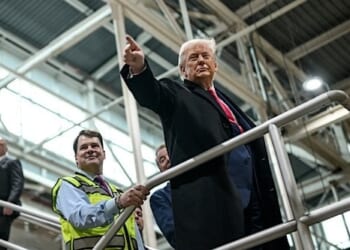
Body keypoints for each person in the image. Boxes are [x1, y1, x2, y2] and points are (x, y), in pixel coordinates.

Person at [121, 36, 290, 250]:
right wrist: (139, 68)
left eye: (205, 56)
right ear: (183, 70)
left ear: (215, 65)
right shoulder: (177, 94)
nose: (201, 61)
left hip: (255, 199)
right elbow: (152, 94)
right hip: (216, 202)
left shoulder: (227, 102)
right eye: (193, 58)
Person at [51, 130, 150, 250]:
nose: (90, 149)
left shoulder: (117, 193)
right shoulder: (68, 185)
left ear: (103, 154)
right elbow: (80, 217)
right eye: (83, 147)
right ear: (76, 158)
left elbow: (134, 235)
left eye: (94, 146)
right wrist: (117, 203)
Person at [149, 145, 175, 248]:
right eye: (162, 160)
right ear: (160, 169)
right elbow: (173, 235)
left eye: (170, 154)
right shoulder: (160, 197)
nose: (168, 159)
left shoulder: (201, 181)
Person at [0, 138, 24, 250]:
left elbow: (17, 183)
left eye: (1, 145)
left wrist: (10, 202)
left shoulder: (12, 162)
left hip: (5, 207)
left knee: (1, 238)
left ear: (5, 148)